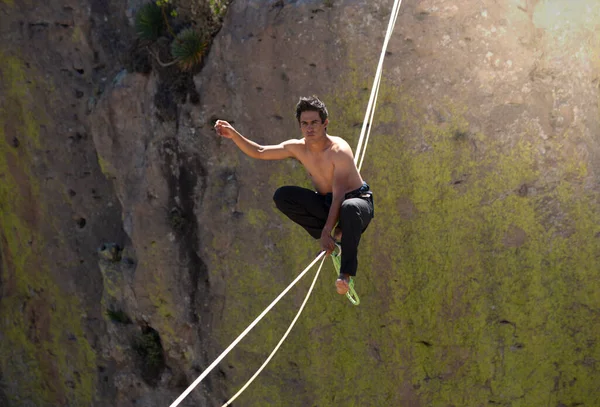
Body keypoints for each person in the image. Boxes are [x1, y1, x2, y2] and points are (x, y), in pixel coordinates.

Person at [214, 96, 374, 295]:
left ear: (325, 123)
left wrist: (327, 232)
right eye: (304, 123)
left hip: (356, 202)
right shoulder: (298, 148)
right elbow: (260, 151)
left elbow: (340, 195)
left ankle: (345, 274)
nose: (309, 128)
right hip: (327, 202)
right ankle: (333, 237)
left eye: (314, 122)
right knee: (283, 196)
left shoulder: (338, 150)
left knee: (348, 208)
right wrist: (235, 135)